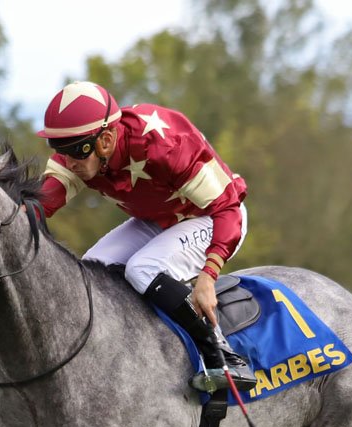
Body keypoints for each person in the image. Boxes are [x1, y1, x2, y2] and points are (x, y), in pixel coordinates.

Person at [36, 80, 256, 392]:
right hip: (160, 219)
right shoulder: (83, 148)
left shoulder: (164, 145)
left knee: (142, 268)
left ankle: (224, 358)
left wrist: (208, 276)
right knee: (91, 268)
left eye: (76, 150)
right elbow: (41, 204)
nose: (68, 161)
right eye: (60, 149)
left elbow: (227, 208)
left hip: (215, 216)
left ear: (106, 140)